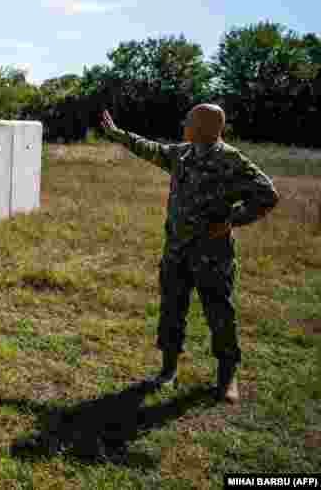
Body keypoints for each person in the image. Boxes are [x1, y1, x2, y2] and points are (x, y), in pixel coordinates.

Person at [100, 105, 279, 403]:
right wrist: (119, 135)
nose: (184, 123)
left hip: (212, 256)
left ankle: (227, 377)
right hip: (176, 251)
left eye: (190, 121)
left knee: (220, 315)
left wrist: (232, 220)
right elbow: (151, 148)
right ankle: (168, 370)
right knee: (171, 311)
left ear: (206, 127)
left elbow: (268, 195)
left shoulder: (230, 160)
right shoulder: (182, 154)